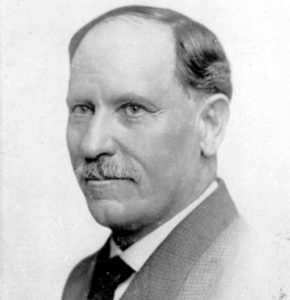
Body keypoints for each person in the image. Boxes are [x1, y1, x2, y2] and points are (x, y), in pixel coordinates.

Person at [62, 5, 270, 300]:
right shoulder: (83, 280)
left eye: (133, 109)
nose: (91, 145)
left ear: (209, 124)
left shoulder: (257, 279)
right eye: (82, 109)